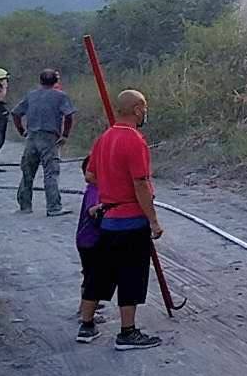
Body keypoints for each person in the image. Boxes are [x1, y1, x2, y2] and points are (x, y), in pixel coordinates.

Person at [80, 89, 163, 350]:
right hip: (131, 218)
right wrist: (153, 220)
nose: (145, 112)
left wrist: (111, 187)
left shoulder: (104, 138)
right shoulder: (135, 140)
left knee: (99, 274)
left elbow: (90, 175)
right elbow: (140, 183)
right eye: (144, 107)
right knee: (131, 275)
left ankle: (87, 325)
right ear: (137, 109)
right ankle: (127, 332)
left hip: (108, 219)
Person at [12, 69, 76, 216]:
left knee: (27, 172)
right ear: (56, 81)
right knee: (50, 172)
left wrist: (22, 131)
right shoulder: (61, 96)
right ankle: (53, 207)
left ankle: (25, 206)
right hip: (49, 138)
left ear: (40, 81)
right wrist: (65, 135)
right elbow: (69, 115)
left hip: (32, 137)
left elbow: (16, 113)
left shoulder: (31, 95)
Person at [74, 156, 106, 338]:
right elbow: (92, 211)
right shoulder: (95, 190)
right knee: (92, 277)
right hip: (89, 240)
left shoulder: (95, 188)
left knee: (91, 274)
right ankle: (84, 312)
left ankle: (87, 305)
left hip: (88, 240)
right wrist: (108, 205)